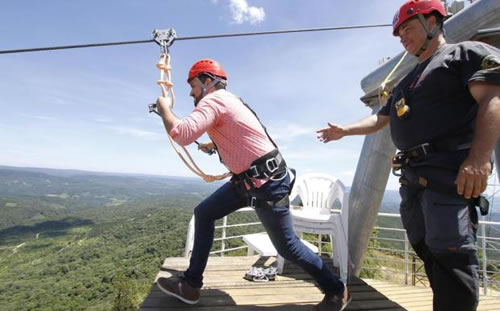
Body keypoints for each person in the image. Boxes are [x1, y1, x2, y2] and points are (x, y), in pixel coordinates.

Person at [317, 1, 500, 310]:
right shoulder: (406, 81)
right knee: (427, 248)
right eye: (399, 33)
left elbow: (493, 97)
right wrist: (343, 131)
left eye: (408, 28)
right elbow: (380, 119)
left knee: (451, 256)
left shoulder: (463, 54)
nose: (402, 37)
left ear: (433, 22)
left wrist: (479, 158)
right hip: (414, 181)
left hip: (448, 176)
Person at [155, 58, 350, 311]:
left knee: (288, 247)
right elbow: (242, 134)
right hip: (251, 181)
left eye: (192, 85)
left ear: (207, 81)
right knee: (204, 213)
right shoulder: (228, 101)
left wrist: (164, 108)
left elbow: (181, 134)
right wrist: (213, 145)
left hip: (265, 183)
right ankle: (191, 285)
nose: (191, 92)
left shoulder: (213, 100)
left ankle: (337, 290)